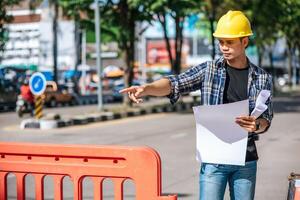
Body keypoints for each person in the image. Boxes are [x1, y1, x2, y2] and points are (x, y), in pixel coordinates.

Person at [120, 10, 273, 200]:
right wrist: (148, 88)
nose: (224, 47)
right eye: (221, 42)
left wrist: (257, 125)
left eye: (230, 42)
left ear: (244, 41)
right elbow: (175, 83)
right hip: (213, 160)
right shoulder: (208, 70)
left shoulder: (262, 78)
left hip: (246, 160)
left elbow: (266, 118)